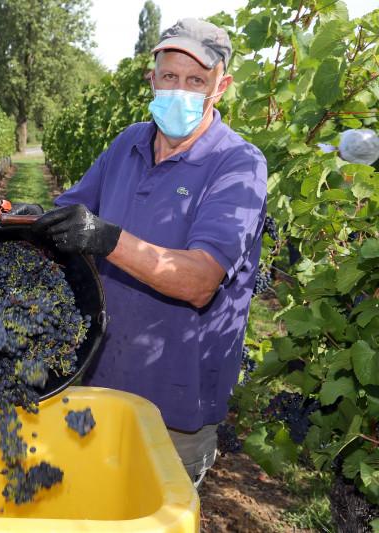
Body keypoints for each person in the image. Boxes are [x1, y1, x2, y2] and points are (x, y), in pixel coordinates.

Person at [17, 19, 268, 487]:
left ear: (221, 86)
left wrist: (107, 238)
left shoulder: (238, 164)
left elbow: (199, 281)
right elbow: (74, 211)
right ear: (152, 78)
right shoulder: (128, 142)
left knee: (151, 509)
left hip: (172, 404)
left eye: (196, 81)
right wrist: (37, 220)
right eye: (169, 76)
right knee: (87, 500)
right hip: (96, 381)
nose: (180, 91)